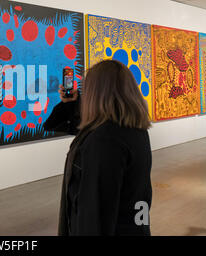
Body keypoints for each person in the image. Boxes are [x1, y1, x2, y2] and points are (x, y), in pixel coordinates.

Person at [43, 59, 152, 236]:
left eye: (88, 89)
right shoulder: (134, 129)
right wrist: (68, 104)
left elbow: (95, 211)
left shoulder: (104, 140)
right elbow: (52, 125)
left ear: (97, 93)